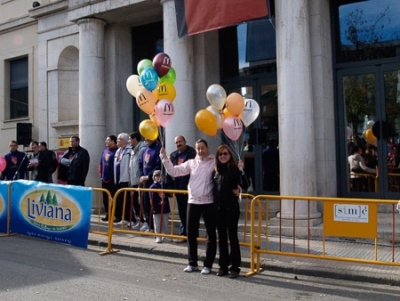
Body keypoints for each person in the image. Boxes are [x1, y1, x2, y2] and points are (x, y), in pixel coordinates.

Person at [160, 139, 216, 275]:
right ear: (195, 150)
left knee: (211, 234)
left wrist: (239, 168)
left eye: (203, 148)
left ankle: (208, 264)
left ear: (207, 148)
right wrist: (165, 158)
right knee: (190, 233)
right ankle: (192, 263)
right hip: (193, 201)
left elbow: (226, 170)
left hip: (208, 202)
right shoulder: (191, 163)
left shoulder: (213, 162)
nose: (201, 151)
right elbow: (174, 172)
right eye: (198, 148)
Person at [212, 145, 248, 278]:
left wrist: (241, 170)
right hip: (218, 209)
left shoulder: (234, 170)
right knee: (221, 238)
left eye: (225, 153)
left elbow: (244, 185)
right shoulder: (215, 171)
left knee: (233, 238)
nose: (223, 156)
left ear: (230, 155)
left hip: (231, 208)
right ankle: (223, 266)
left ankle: (235, 267)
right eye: (220, 154)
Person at [167, 135, 196, 240]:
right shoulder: (173, 155)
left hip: (190, 189)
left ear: (185, 141)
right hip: (178, 188)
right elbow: (169, 172)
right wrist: (169, 187)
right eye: (176, 142)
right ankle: (184, 233)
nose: (178, 144)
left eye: (180, 141)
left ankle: (192, 233)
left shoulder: (192, 153)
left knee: (191, 213)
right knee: (182, 212)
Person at [139, 138, 162, 232]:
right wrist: (141, 176)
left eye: (148, 137)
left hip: (154, 182)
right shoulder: (144, 150)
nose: (146, 139)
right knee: (145, 204)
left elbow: (158, 165)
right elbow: (140, 164)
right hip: (145, 182)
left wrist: (148, 176)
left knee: (153, 205)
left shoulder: (158, 149)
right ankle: (149, 224)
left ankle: (155, 226)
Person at [113, 133, 132, 225]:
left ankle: (131, 219)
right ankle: (124, 218)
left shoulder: (129, 150)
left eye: (119, 139)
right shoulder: (118, 151)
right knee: (121, 199)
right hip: (118, 179)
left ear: (124, 140)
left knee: (127, 200)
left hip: (126, 179)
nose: (117, 141)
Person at [128, 132, 146, 229]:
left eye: (130, 139)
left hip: (139, 181)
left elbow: (141, 165)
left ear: (135, 139)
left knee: (141, 202)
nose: (129, 141)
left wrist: (140, 179)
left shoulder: (142, 149)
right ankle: (139, 220)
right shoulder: (132, 150)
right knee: (134, 202)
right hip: (133, 180)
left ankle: (144, 222)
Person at [98, 135, 118, 222]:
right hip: (104, 179)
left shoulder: (117, 151)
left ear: (113, 141)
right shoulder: (105, 151)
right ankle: (108, 214)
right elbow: (101, 164)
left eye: (108, 140)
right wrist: (101, 175)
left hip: (113, 179)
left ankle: (117, 215)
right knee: (105, 198)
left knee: (114, 197)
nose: (106, 142)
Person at [150, 170, 171, 243]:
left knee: (165, 222)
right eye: (156, 176)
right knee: (157, 223)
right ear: (154, 177)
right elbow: (151, 199)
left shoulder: (164, 185)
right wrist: (154, 208)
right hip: (157, 208)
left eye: (160, 176)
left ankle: (165, 236)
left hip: (165, 207)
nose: (158, 177)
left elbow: (169, 194)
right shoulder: (153, 187)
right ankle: (158, 236)